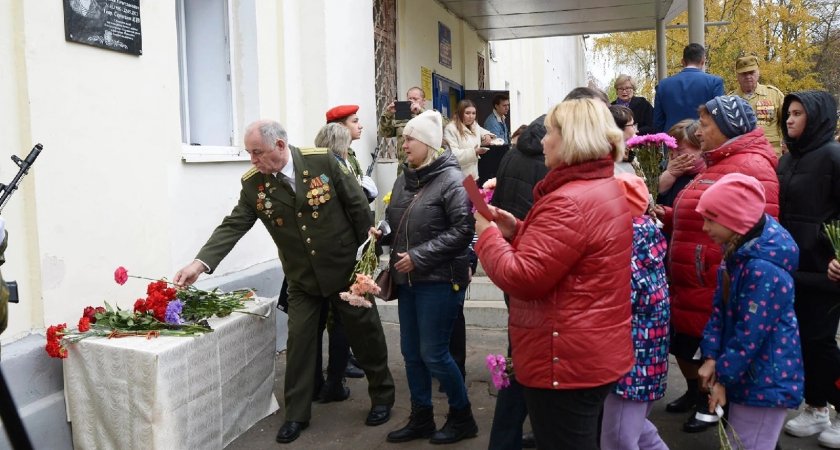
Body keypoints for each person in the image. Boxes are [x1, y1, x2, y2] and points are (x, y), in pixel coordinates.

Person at [173, 120, 395, 444]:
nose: (252, 160)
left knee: (366, 335)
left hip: (344, 271)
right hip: (302, 279)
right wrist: (200, 263)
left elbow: (358, 206)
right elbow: (234, 224)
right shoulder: (254, 185)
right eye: (249, 153)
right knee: (300, 343)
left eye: (257, 153)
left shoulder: (322, 161)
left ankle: (383, 396)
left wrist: (364, 256)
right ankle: (296, 415)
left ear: (279, 146)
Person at [474, 97, 634, 449]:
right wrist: (517, 230)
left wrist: (485, 233)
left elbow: (522, 277)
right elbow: (573, 257)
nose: (543, 141)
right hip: (591, 353)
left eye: (551, 133)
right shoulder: (600, 187)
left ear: (573, 138)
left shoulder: (569, 201)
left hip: (566, 362)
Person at [653, 95, 779, 434]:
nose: (700, 131)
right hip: (698, 279)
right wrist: (664, 215)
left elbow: (757, 232)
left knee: (719, 354)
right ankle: (705, 401)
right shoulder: (720, 161)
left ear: (727, 126)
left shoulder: (748, 166)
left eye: (706, 125)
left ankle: (717, 408)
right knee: (695, 348)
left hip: (712, 281)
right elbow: (700, 216)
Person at [373, 110, 477, 445]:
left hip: (439, 280)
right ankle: (422, 417)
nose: (403, 144)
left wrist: (418, 256)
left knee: (434, 353)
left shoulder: (453, 180)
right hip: (409, 282)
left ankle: (462, 417)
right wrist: (384, 233)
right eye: (404, 138)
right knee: (411, 353)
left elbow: (464, 230)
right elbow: (396, 218)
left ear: (428, 144)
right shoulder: (405, 178)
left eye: (409, 139)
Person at [696, 173, 803, 450]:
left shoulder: (763, 268)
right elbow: (720, 308)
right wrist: (710, 356)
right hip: (749, 375)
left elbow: (749, 334)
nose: (704, 227)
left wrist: (723, 378)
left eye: (711, 219)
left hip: (766, 380)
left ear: (735, 220)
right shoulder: (737, 251)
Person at [776, 91, 840, 447]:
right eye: (788, 113)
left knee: (821, 342)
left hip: (826, 270)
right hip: (793, 267)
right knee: (804, 342)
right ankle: (816, 407)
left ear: (816, 117)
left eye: (798, 113)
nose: (789, 119)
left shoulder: (834, 156)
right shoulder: (786, 160)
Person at [486, 114, 549, 450]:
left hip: (516, 260)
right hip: (537, 271)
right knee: (530, 360)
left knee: (517, 352)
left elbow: (502, 205)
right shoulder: (552, 163)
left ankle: (504, 437)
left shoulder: (512, 153)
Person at [600, 173, 670, 450]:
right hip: (645, 356)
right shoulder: (646, 232)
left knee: (618, 439)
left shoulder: (627, 240)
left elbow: (619, 298)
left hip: (630, 362)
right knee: (638, 430)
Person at [653, 43, 725, 133]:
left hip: (673, 140)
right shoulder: (715, 82)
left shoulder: (663, 85)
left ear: (682, 61)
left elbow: (658, 122)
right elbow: (719, 117)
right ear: (703, 62)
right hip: (703, 140)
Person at [729, 56, 785, 156]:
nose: (748, 76)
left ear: (758, 73)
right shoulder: (730, 100)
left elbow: (787, 123)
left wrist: (788, 145)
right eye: (743, 73)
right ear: (737, 76)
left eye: (751, 72)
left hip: (771, 154)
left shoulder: (774, 95)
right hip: (741, 155)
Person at [326, 105, 379, 202]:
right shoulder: (330, 156)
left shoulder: (349, 153)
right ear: (341, 126)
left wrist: (368, 195)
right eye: (355, 121)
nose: (360, 126)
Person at [379, 87, 428, 173]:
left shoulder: (430, 116)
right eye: (410, 98)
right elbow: (386, 133)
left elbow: (444, 125)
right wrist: (388, 113)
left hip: (424, 166)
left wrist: (420, 111)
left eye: (415, 99)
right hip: (404, 167)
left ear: (423, 102)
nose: (412, 101)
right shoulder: (401, 117)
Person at [443, 99, 495, 179]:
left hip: (472, 175)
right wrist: (474, 152)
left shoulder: (474, 124)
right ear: (460, 113)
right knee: (472, 192)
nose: (471, 116)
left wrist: (486, 134)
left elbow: (480, 130)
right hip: (459, 177)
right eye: (467, 113)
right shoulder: (451, 129)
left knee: (476, 192)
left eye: (473, 113)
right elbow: (452, 155)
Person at [657, 120, 704, 207]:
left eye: (680, 150)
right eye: (671, 149)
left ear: (701, 147)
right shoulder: (665, 166)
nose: (674, 155)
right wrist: (669, 174)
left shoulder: (712, 174)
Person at [609, 105, 646, 178]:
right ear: (618, 129)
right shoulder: (613, 164)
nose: (636, 130)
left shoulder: (628, 152)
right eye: (632, 125)